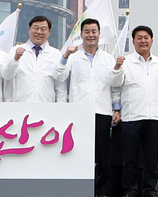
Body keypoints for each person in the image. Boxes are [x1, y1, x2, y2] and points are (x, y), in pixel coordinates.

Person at [55, 18, 118, 197]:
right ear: (81, 35)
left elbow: (114, 86)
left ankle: (102, 192)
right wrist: (65, 56)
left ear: (99, 34)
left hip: (102, 112)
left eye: (94, 31)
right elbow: (59, 76)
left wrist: (116, 108)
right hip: (80, 112)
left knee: (102, 156)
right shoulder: (74, 57)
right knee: (80, 154)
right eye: (87, 32)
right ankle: (79, 191)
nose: (91, 35)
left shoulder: (108, 58)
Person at [111, 25, 158, 197]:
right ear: (133, 41)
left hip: (153, 116)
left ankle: (149, 189)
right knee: (130, 157)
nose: (143, 41)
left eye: (146, 37)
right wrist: (116, 67)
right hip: (131, 116)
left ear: (151, 41)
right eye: (139, 37)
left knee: (152, 157)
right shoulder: (125, 62)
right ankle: (130, 189)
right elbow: (115, 87)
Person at [4, 15, 68, 102]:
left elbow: (60, 86)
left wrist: (60, 108)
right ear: (29, 29)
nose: (39, 32)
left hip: (46, 108)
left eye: (43, 29)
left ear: (49, 32)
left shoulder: (56, 54)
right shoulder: (15, 51)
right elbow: (7, 75)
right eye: (36, 28)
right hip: (21, 108)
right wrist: (15, 59)